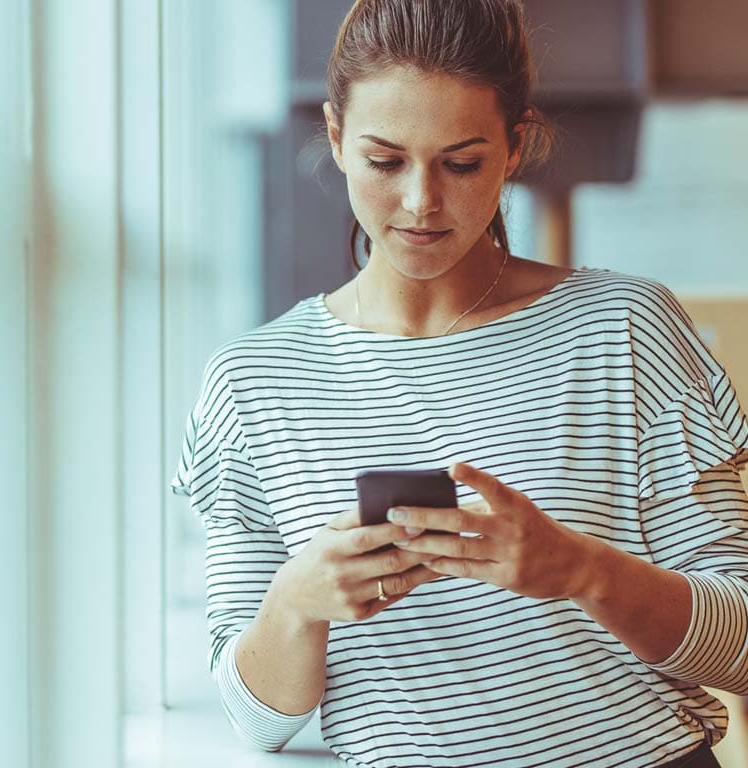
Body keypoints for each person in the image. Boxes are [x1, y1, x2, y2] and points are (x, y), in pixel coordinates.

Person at [170, 1, 748, 765]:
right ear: (337, 137)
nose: (420, 202)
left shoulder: (624, 327)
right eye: (385, 161)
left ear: (515, 147)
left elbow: (740, 644)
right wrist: (296, 602)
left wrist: (581, 571)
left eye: (462, 162)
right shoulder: (253, 382)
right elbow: (258, 723)